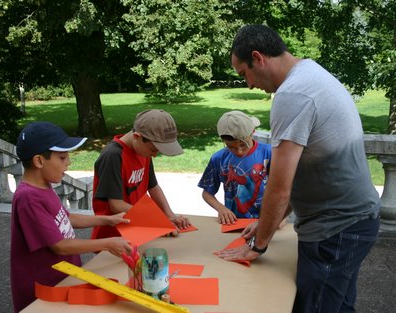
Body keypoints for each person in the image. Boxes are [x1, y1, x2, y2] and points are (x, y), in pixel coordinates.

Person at [218, 24, 381, 313]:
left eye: (244, 74)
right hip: (355, 221)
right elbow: (305, 172)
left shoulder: (292, 94)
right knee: (339, 306)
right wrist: (267, 221)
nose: (249, 85)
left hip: (335, 229)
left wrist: (258, 245)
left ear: (258, 58)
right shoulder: (310, 72)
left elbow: (280, 186)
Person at [10, 121, 132, 313]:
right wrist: (108, 243)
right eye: (62, 157)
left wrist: (108, 219)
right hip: (43, 289)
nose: (68, 162)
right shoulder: (28, 198)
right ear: (39, 161)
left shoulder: (44, 186)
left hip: (63, 277)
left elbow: (65, 218)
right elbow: (59, 245)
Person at [91, 109, 190, 240]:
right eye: (154, 150)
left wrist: (169, 215)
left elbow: (153, 186)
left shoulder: (144, 151)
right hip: (112, 237)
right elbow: (116, 205)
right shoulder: (112, 156)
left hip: (138, 230)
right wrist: (157, 222)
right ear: (137, 137)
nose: (155, 155)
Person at [198, 110, 271, 224]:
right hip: (234, 222)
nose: (239, 151)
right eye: (231, 147)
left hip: (266, 221)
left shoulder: (269, 153)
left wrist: (281, 216)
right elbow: (207, 193)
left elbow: (286, 188)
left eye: (243, 144)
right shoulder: (218, 158)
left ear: (252, 132)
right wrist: (221, 209)